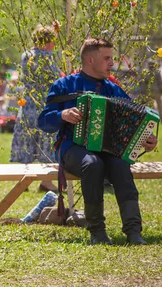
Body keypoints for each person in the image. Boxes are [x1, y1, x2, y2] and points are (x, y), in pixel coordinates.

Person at [38, 38, 157, 245]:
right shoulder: (64, 85)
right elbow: (43, 121)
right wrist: (62, 114)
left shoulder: (113, 88)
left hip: (108, 150)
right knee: (92, 164)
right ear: (91, 60)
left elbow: (134, 121)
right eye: (107, 58)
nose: (112, 63)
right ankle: (97, 231)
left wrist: (146, 139)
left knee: (121, 165)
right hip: (72, 147)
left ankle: (134, 231)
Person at [10, 25, 61, 192]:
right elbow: (54, 78)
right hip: (44, 103)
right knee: (47, 139)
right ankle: (46, 181)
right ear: (47, 41)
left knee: (27, 139)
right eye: (53, 40)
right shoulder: (47, 57)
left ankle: (23, 180)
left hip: (28, 103)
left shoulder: (26, 55)